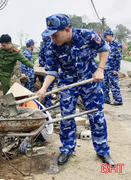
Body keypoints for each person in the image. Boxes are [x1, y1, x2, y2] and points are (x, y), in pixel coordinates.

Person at [37, 14, 114, 166]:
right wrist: (43, 88)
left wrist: (100, 69)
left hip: (90, 80)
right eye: (51, 36)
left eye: (55, 35)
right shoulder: (52, 47)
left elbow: (104, 48)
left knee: (96, 115)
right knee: (66, 116)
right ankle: (67, 149)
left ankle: (102, 150)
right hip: (67, 82)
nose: (53, 39)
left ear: (67, 30)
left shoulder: (87, 35)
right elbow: (51, 71)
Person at [0, 34, 34, 103]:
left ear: (9, 43)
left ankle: (7, 107)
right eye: (2, 45)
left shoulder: (16, 52)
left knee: (6, 93)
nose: (3, 47)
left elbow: (24, 60)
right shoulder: (1, 49)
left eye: (4, 45)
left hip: (6, 75)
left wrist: (33, 66)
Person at [102, 29, 123, 105]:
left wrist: (116, 69)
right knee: (104, 85)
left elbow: (118, 58)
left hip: (112, 69)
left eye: (106, 36)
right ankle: (106, 99)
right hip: (106, 69)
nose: (105, 38)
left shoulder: (117, 45)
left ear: (111, 36)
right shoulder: (107, 45)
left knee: (114, 85)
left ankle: (118, 100)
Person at [39, 30, 58, 107]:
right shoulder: (54, 45)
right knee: (61, 87)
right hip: (59, 71)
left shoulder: (43, 47)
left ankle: (48, 103)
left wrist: (46, 65)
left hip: (49, 71)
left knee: (47, 87)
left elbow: (41, 59)